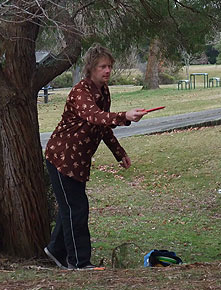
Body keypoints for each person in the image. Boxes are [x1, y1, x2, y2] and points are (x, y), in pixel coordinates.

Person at [44, 44, 148, 270]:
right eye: (103, 66)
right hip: (61, 158)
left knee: (71, 208)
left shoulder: (104, 92)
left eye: (110, 66)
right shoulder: (80, 92)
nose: (108, 70)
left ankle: (55, 250)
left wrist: (119, 153)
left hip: (78, 162)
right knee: (77, 209)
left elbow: (102, 128)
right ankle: (79, 263)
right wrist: (125, 116)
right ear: (91, 68)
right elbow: (95, 117)